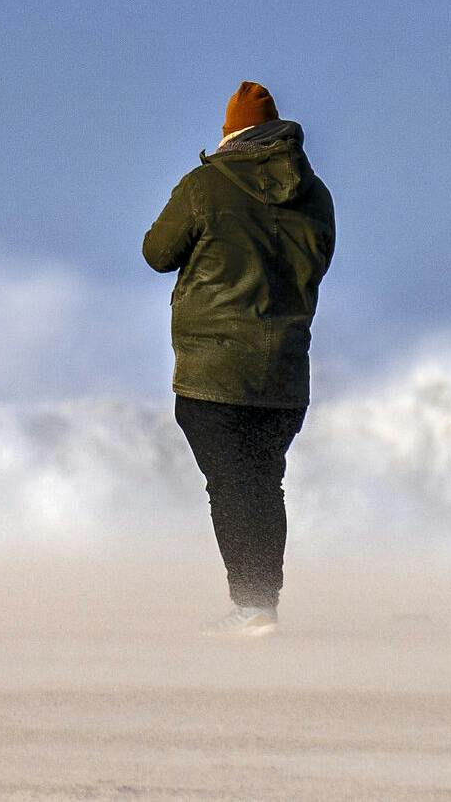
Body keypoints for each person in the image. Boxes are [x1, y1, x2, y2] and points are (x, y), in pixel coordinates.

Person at [142, 81, 335, 637]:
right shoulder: (316, 194)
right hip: (284, 368)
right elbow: (318, 261)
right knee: (262, 482)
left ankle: (252, 607)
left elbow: (157, 253)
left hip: (214, 367)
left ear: (231, 133)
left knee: (231, 485)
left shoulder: (207, 185)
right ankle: (261, 604)